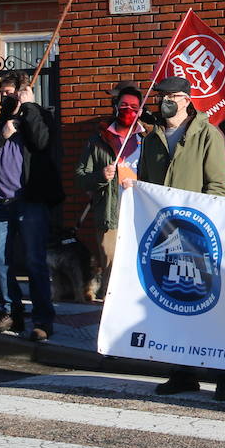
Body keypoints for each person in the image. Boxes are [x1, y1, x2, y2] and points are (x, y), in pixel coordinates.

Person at [138, 77, 225, 401]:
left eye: (173, 96)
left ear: (187, 100)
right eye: (162, 96)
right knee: (176, 302)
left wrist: (198, 224)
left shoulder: (208, 135)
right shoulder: (152, 140)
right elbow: (145, 184)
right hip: (165, 233)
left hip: (197, 233)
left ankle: (223, 375)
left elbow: (218, 186)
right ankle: (183, 372)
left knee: (209, 305)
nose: (166, 101)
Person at [0, 72, 64, 341]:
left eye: (9, 93)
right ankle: (9, 312)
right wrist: (2, 134)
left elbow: (42, 142)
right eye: (1, 93)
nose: (4, 97)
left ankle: (42, 319)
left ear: (22, 93)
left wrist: (29, 108)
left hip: (30, 202)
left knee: (34, 261)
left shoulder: (39, 118)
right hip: (0, 203)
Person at [75, 85, 144, 301]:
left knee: (141, 266)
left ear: (141, 110)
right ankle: (109, 314)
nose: (128, 110)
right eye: (123, 105)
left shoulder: (150, 137)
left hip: (142, 215)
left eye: (134, 106)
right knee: (112, 268)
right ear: (115, 106)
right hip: (110, 213)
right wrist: (99, 176)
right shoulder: (99, 139)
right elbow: (80, 176)